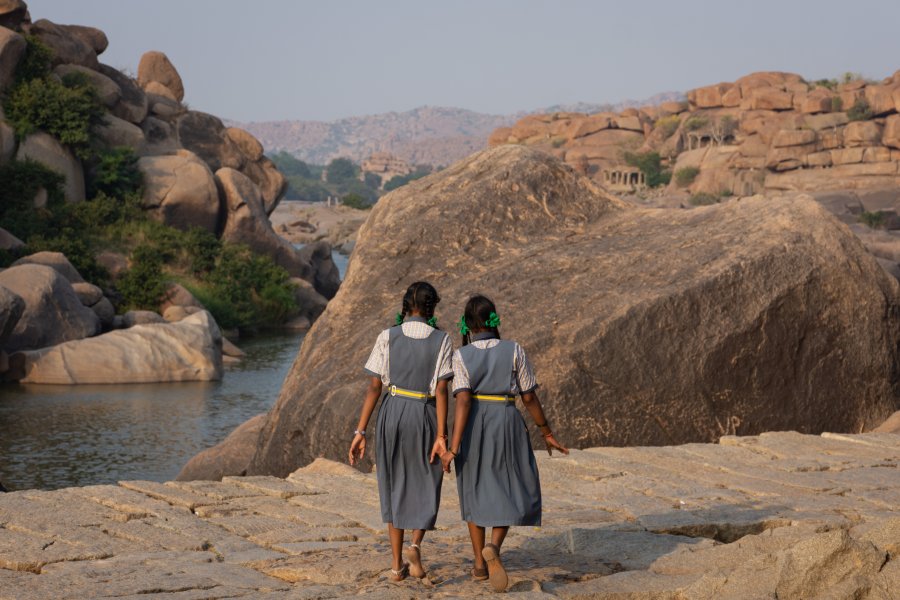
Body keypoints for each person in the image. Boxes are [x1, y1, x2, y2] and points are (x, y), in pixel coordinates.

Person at [442, 294, 568, 592]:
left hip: (474, 427)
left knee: (474, 490)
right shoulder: (514, 350)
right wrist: (546, 431)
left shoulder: (461, 356)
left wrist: (454, 447)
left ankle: (478, 563)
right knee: (513, 486)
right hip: (508, 420)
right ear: (494, 319)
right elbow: (529, 396)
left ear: (467, 324)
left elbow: (462, 402)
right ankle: (494, 547)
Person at [349, 281, 453, 582]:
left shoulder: (387, 336)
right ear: (432, 307)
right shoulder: (442, 340)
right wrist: (441, 436)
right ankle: (415, 544)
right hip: (425, 413)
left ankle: (395, 567)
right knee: (428, 480)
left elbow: (373, 386)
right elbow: (443, 389)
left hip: (392, 411)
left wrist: (361, 430)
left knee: (393, 484)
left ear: (406, 305)